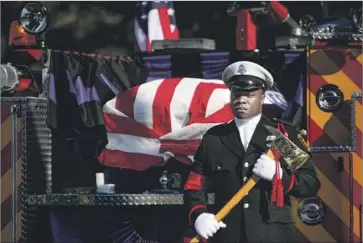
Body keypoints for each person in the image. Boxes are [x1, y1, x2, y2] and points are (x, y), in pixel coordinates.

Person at [183, 61, 320, 243]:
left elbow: (310, 184)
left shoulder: (280, 135)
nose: (241, 100)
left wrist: (278, 175)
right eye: (236, 94)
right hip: (228, 235)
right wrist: (199, 215)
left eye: (249, 94)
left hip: (272, 236)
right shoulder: (215, 137)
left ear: (262, 98)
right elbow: (194, 186)